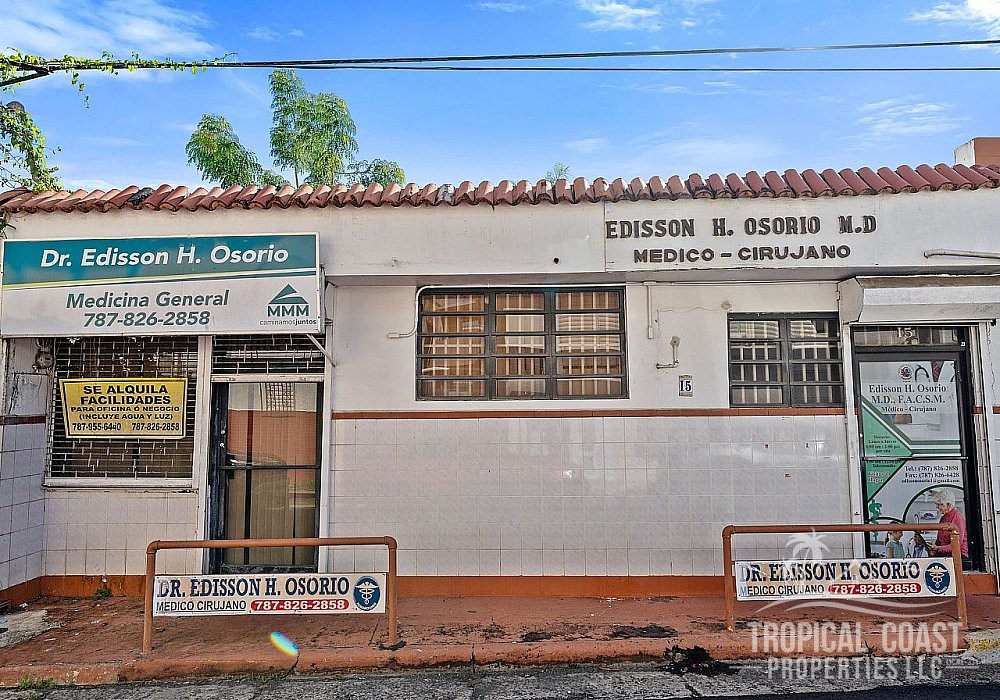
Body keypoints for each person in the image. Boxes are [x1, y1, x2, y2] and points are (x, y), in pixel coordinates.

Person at [927, 490, 970, 567]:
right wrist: (933, 548)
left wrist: (937, 548)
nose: (937, 508)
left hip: (959, 556)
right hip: (946, 554)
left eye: (939, 505)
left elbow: (956, 545)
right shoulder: (943, 518)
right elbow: (939, 541)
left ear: (948, 505)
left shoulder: (957, 518)